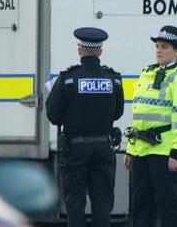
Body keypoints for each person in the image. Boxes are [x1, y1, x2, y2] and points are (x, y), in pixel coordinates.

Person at [45, 27, 124, 227]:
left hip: (75, 150)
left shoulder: (67, 79)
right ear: (100, 52)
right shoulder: (113, 79)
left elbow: (53, 115)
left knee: (75, 204)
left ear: (79, 51)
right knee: (102, 204)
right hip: (103, 148)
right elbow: (118, 113)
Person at [122, 25, 177, 227]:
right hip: (142, 149)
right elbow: (139, 114)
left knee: (169, 204)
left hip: (165, 151)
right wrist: (131, 148)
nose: (158, 50)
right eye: (157, 45)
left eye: (164, 46)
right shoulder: (147, 73)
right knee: (141, 204)